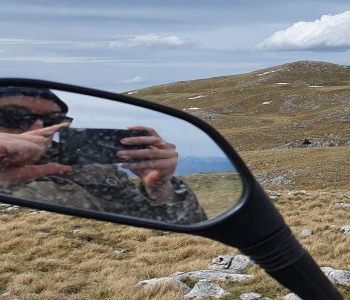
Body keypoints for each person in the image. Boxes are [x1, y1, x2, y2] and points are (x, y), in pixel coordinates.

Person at [0, 87, 206, 224]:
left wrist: (160, 187)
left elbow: (178, 230)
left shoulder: (94, 169)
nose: (38, 126)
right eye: (13, 116)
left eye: (53, 120)